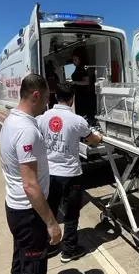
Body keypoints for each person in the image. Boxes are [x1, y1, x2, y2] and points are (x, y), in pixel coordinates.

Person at [0, 74, 61, 274]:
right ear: (35, 95)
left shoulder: (11, 121)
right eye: (47, 97)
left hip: (16, 209)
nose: (48, 103)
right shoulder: (27, 130)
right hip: (29, 214)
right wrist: (50, 222)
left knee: (20, 267)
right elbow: (30, 185)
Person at [38, 82, 103, 263]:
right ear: (72, 97)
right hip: (71, 173)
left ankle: (50, 246)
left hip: (50, 173)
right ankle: (69, 249)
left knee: (50, 210)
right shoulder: (77, 120)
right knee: (71, 213)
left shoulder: (43, 118)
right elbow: (93, 140)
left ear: (55, 96)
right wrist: (100, 136)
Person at [70, 46, 96, 122]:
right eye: (73, 60)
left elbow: (87, 82)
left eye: (75, 59)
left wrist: (74, 82)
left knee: (82, 113)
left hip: (84, 96)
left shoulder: (83, 68)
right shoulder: (78, 68)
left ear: (80, 59)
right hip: (79, 95)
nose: (73, 62)